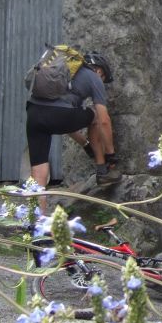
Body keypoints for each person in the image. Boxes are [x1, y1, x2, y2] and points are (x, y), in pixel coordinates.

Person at [25, 52, 121, 214]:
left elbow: (62, 122)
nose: (102, 81)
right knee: (95, 116)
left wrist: (85, 144)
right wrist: (110, 155)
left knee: (38, 171)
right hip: (59, 115)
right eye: (103, 77)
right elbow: (103, 121)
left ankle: (35, 224)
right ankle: (102, 171)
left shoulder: (63, 77)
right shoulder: (93, 77)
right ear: (99, 70)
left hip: (34, 114)